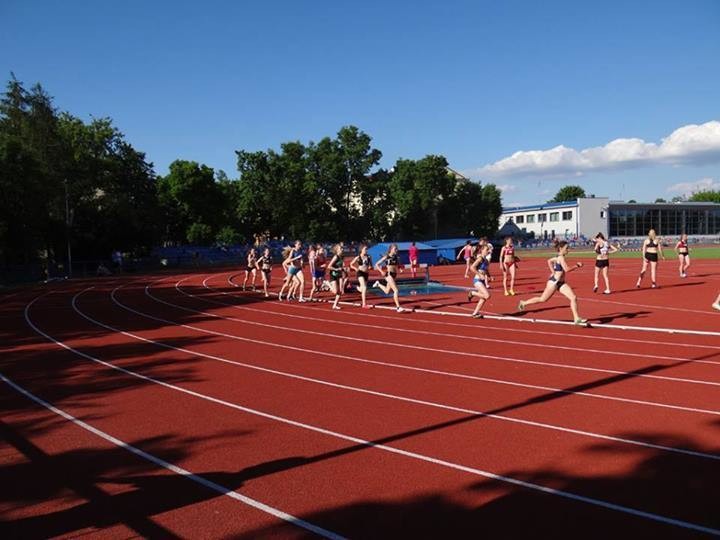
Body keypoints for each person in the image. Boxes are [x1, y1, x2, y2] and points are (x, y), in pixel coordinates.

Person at [517, 240, 588, 325]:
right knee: (543, 299)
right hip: (554, 283)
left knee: (573, 297)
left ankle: (576, 318)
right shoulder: (560, 258)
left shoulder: (558, 257)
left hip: (561, 283)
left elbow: (549, 261)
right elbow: (567, 269)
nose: (568, 250)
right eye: (567, 248)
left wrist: (553, 271)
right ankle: (524, 303)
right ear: (561, 248)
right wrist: (577, 265)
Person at [373, 243, 405, 312]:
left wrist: (400, 269)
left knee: (387, 291)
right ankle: (398, 307)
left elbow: (398, 265)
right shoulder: (386, 257)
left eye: (397, 249)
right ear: (391, 249)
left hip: (394, 275)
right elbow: (377, 264)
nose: (396, 250)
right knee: (396, 290)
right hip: (388, 275)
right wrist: (381, 271)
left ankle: (378, 284)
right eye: (395, 249)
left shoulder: (397, 257)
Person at [466, 245, 491, 318]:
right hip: (477, 280)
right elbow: (472, 267)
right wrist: (479, 274)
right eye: (486, 250)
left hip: (482, 281)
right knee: (487, 296)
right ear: (482, 250)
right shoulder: (480, 258)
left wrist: (489, 276)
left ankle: (475, 313)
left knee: (483, 299)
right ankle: (472, 293)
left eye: (488, 250)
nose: (488, 251)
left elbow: (486, 270)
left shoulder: (486, 260)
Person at [350, 244, 373, 308]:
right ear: (361, 250)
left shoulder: (369, 257)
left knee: (363, 289)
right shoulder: (358, 257)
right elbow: (351, 264)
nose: (366, 250)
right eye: (365, 249)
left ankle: (355, 286)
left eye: (367, 249)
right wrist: (355, 268)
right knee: (364, 288)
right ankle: (364, 304)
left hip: (366, 273)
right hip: (360, 273)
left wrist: (370, 267)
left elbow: (371, 265)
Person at [327, 244, 345, 310]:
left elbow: (341, 266)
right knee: (335, 291)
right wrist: (336, 269)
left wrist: (344, 269)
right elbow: (329, 266)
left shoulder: (342, 256)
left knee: (340, 291)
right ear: (337, 250)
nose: (342, 249)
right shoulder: (336, 257)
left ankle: (335, 305)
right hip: (333, 275)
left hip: (339, 275)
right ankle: (327, 283)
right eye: (341, 248)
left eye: (342, 248)